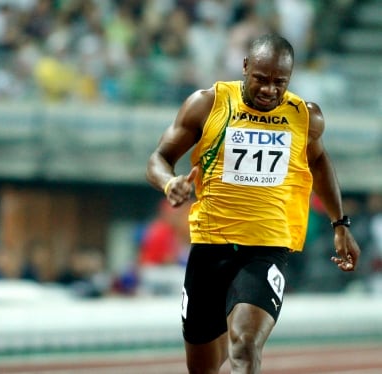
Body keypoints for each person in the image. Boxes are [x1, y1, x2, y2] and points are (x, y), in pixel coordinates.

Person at [145, 33, 360, 374]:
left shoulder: (305, 116)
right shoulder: (208, 103)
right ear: (245, 67)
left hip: (266, 248)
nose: (269, 90)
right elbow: (159, 158)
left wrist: (340, 224)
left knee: (245, 346)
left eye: (280, 82)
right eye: (261, 79)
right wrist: (169, 182)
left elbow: (318, 163)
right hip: (210, 247)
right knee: (203, 367)